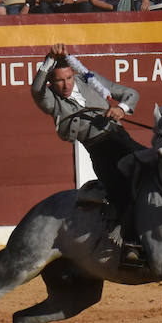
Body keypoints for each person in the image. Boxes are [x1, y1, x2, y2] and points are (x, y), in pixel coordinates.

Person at [31, 43, 144, 263]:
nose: (66, 85)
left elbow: (131, 94)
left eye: (69, 78)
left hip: (121, 140)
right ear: (51, 83)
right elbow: (36, 89)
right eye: (60, 81)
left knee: (156, 166)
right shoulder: (52, 102)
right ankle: (131, 243)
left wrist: (121, 108)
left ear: (74, 74)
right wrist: (48, 60)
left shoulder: (89, 81)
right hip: (99, 150)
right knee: (121, 189)